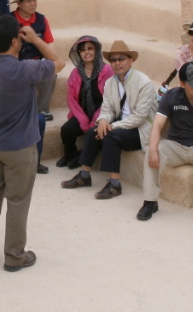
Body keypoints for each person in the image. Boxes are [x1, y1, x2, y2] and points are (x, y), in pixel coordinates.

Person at [0, 16, 64, 272]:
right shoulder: (26, 69)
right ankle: (14, 256)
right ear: (15, 40)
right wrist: (34, 38)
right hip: (20, 148)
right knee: (18, 201)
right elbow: (59, 63)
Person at [61, 40, 156, 199]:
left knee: (110, 136)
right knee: (94, 131)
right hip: (121, 124)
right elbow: (107, 108)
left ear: (130, 60)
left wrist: (112, 126)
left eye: (121, 59)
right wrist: (104, 121)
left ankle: (114, 185)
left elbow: (139, 117)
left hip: (140, 131)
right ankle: (84, 175)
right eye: (113, 60)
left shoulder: (143, 82)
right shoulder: (111, 82)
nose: (117, 63)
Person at [139, 62, 193, 227]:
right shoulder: (171, 96)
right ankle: (150, 202)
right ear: (182, 84)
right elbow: (157, 125)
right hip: (176, 145)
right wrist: (152, 150)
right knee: (153, 152)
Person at [56, 36, 112, 169]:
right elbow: (72, 100)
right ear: (78, 54)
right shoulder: (75, 73)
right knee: (67, 130)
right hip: (81, 112)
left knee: (95, 132)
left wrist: (94, 121)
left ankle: (81, 157)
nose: (86, 52)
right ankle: (69, 155)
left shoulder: (107, 71)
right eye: (82, 50)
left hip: (103, 113)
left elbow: (109, 100)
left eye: (90, 48)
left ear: (96, 50)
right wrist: (83, 120)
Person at [11, 0, 56, 120]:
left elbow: (50, 46)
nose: (33, 4)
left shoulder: (42, 20)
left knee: (51, 74)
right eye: (29, 1)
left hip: (37, 62)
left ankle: (42, 110)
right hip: (18, 63)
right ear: (19, 3)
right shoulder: (10, 20)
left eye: (34, 0)